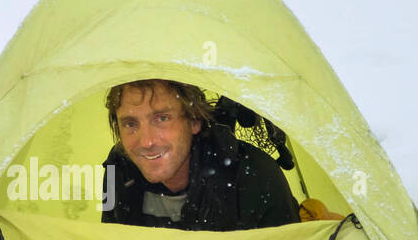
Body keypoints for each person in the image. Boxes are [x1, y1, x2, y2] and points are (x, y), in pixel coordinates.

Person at [101, 79, 303, 231]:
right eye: (130, 124)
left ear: (194, 121)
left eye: (162, 118)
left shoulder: (255, 175)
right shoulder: (118, 169)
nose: (146, 142)